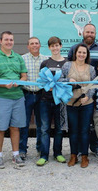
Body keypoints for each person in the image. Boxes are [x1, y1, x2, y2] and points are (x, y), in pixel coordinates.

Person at [0, 31, 28, 169]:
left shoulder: (18, 58)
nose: (9, 42)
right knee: (0, 128)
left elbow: (24, 76)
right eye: (6, 40)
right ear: (1, 41)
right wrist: (3, 84)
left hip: (18, 97)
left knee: (15, 127)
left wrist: (19, 82)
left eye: (11, 40)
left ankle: (15, 155)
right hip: (1, 98)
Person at [68, 23, 98, 157]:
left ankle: (96, 147)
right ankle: (80, 149)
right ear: (82, 33)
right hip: (77, 94)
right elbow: (68, 68)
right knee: (81, 123)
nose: (89, 34)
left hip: (97, 91)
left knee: (95, 121)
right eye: (87, 32)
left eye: (92, 32)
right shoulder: (74, 48)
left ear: (95, 34)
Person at [62, 43, 96, 168]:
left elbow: (93, 85)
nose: (81, 55)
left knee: (85, 130)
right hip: (71, 103)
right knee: (73, 130)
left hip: (86, 104)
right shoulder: (67, 65)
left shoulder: (91, 68)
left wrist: (88, 96)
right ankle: (73, 155)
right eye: (79, 52)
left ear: (87, 55)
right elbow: (60, 80)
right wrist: (68, 81)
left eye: (84, 53)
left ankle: (85, 156)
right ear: (75, 53)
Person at [36, 37, 67, 166]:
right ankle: (44, 155)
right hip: (45, 100)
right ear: (49, 48)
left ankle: (58, 153)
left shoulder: (67, 63)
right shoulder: (45, 63)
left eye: (57, 45)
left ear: (61, 46)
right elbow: (41, 81)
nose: (55, 48)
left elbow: (68, 80)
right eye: (52, 46)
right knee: (44, 128)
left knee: (59, 129)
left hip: (60, 101)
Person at [19, 37, 48, 160]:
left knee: (41, 124)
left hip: (41, 95)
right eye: (32, 44)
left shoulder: (45, 60)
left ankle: (40, 148)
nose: (34, 45)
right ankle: (22, 150)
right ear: (28, 46)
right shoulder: (22, 59)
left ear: (40, 45)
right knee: (24, 123)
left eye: (36, 43)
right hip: (27, 94)